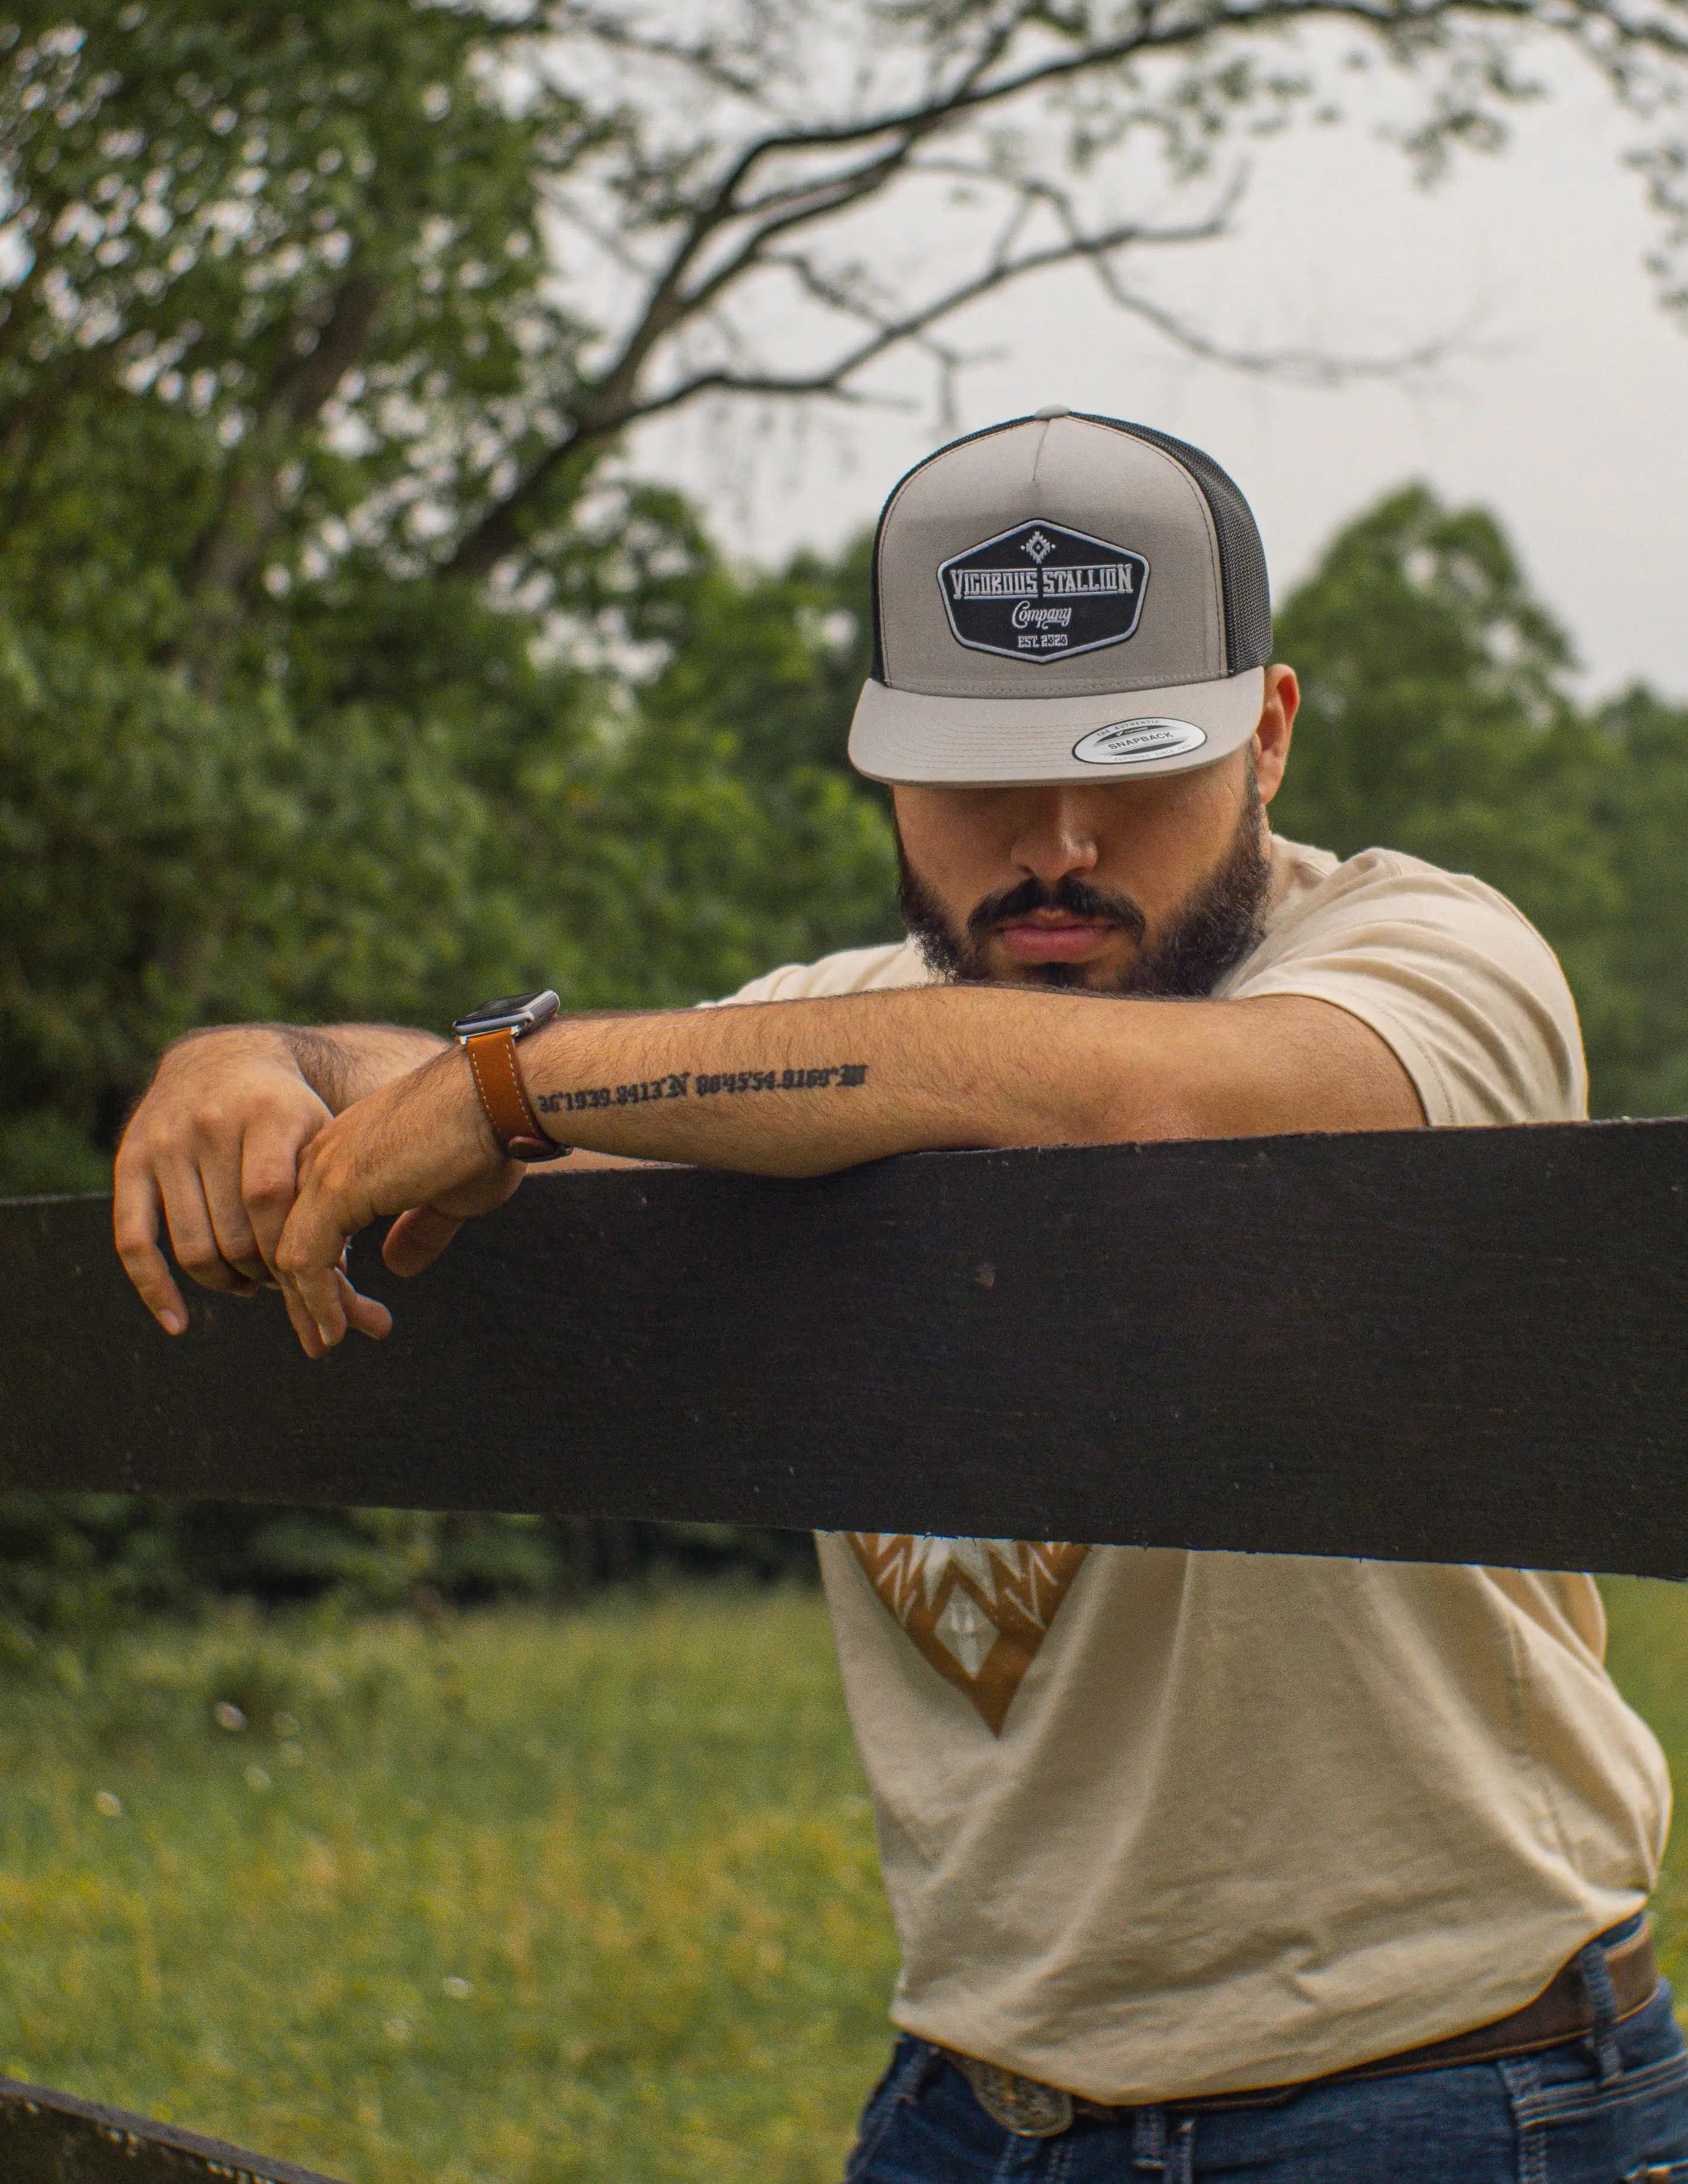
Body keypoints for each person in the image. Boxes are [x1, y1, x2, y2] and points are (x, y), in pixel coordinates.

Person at [113, 409, 1687, 2183]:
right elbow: (480, 1099)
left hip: (1432, 2089)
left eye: (1135, 758)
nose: (1059, 839)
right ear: (882, 766)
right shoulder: (824, 1028)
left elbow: (1162, 1104)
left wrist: (525, 1084)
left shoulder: (1427, 955)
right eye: (980, 775)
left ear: (1267, 732)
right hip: (970, 2100)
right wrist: (270, 1060)